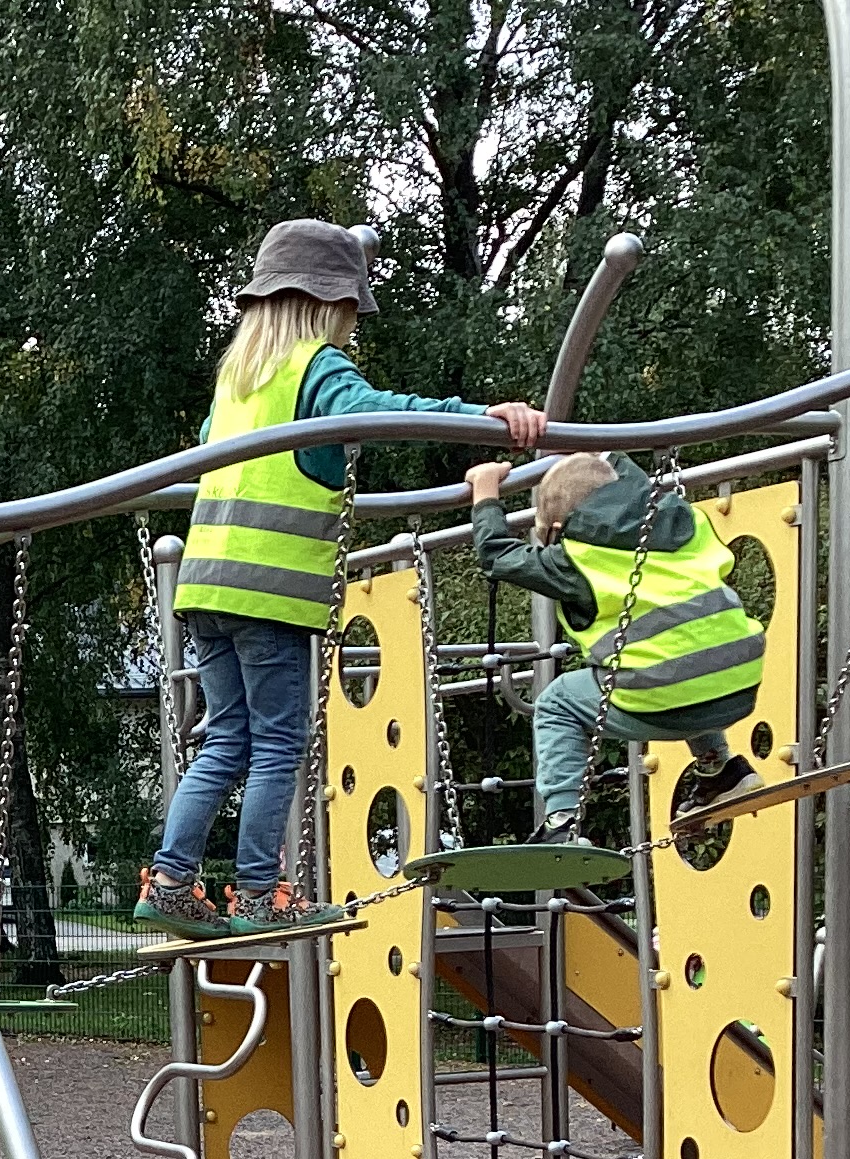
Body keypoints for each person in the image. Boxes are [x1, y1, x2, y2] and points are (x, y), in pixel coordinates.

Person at [140, 220, 548, 938]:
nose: (353, 324)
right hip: (269, 595)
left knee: (227, 739)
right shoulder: (316, 368)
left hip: (204, 589)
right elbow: (377, 411)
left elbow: (210, 448)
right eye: (351, 310)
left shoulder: (238, 382)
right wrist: (476, 419)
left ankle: (171, 881)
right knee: (277, 744)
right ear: (329, 305)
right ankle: (260, 893)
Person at [465, 451, 762, 841]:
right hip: (741, 681)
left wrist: (485, 490)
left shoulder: (576, 558)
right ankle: (723, 769)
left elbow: (496, 555)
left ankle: (561, 821)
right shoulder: (677, 518)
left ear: (558, 529)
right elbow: (622, 469)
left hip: (667, 696)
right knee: (681, 655)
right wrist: (590, 448)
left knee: (556, 703)